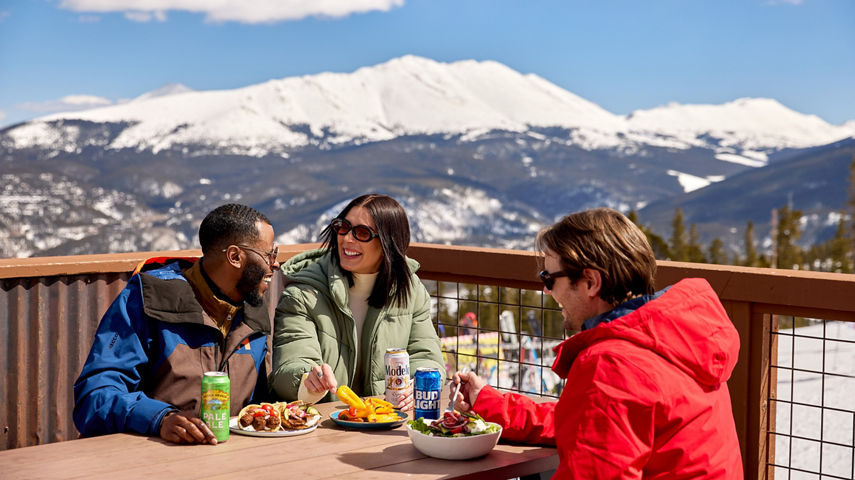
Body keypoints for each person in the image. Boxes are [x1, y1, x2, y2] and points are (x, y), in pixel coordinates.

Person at [450, 207, 743, 478]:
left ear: (591, 282)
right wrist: (485, 401)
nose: (546, 290)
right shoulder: (674, 337)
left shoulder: (613, 364)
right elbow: (588, 424)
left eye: (550, 278)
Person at [73, 203, 279, 445]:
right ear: (235, 257)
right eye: (269, 254)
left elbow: (261, 403)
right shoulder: (148, 299)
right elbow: (94, 396)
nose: (274, 264)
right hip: (149, 458)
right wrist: (160, 419)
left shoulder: (252, 306)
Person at [269, 194, 445, 410]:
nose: (347, 239)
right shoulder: (303, 295)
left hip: (390, 420)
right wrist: (307, 381)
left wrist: (414, 385)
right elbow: (291, 361)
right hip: (325, 428)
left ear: (388, 243)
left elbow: (426, 355)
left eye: (362, 233)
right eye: (343, 227)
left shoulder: (410, 291)